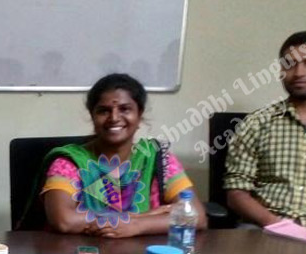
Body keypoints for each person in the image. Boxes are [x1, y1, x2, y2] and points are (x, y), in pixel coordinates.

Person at [41, 73, 206, 238]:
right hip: (82, 252)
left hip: (144, 252)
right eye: (104, 111)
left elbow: (196, 216)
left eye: (125, 109)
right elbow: (64, 220)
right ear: (92, 116)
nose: (114, 118)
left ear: (139, 115)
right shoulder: (69, 162)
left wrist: (137, 225)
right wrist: (141, 217)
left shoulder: (158, 159)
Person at [225, 31, 306, 227]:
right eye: (290, 64)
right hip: (266, 228)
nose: (298, 73)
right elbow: (236, 193)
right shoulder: (257, 123)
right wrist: (279, 226)